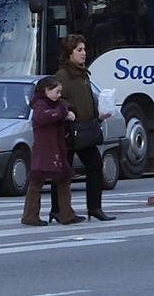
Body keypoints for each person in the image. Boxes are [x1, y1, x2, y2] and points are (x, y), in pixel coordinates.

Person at [49, 34, 116, 222]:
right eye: (79, 50)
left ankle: (94, 208)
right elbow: (55, 98)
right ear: (69, 53)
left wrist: (98, 114)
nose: (84, 53)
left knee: (94, 165)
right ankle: (58, 209)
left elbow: (87, 100)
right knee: (63, 170)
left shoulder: (83, 74)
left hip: (86, 129)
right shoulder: (62, 75)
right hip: (69, 131)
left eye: (84, 49)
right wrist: (67, 110)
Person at [21, 76, 84, 226]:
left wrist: (69, 113)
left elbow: (62, 109)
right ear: (47, 90)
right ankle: (30, 216)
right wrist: (63, 112)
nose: (59, 95)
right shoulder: (40, 104)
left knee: (63, 179)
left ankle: (66, 214)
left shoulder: (54, 103)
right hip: (45, 148)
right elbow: (42, 117)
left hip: (56, 146)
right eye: (57, 91)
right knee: (37, 181)